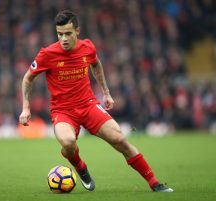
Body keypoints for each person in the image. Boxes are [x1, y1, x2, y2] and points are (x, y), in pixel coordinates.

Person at [19, 10, 173, 192]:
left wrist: (106, 93)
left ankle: (155, 183)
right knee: (68, 143)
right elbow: (27, 78)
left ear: (77, 31)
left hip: (88, 105)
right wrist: (25, 108)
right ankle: (80, 167)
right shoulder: (47, 54)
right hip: (63, 111)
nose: (64, 39)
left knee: (120, 139)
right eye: (59, 34)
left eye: (68, 33)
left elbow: (96, 64)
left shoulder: (88, 47)